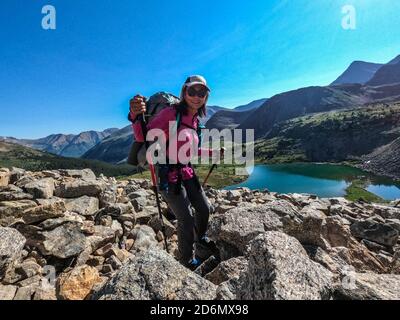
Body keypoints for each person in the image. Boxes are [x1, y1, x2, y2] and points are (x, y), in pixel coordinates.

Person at [129, 75, 223, 269]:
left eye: (202, 92)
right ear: (184, 92)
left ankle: (201, 239)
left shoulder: (195, 120)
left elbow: (190, 150)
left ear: (206, 96)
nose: (197, 96)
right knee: (186, 219)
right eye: (192, 91)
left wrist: (212, 153)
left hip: (186, 170)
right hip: (167, 174)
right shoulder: (171, 114)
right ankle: (186, 260)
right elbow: (144, 137)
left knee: (204, 208)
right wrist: (135, 115)